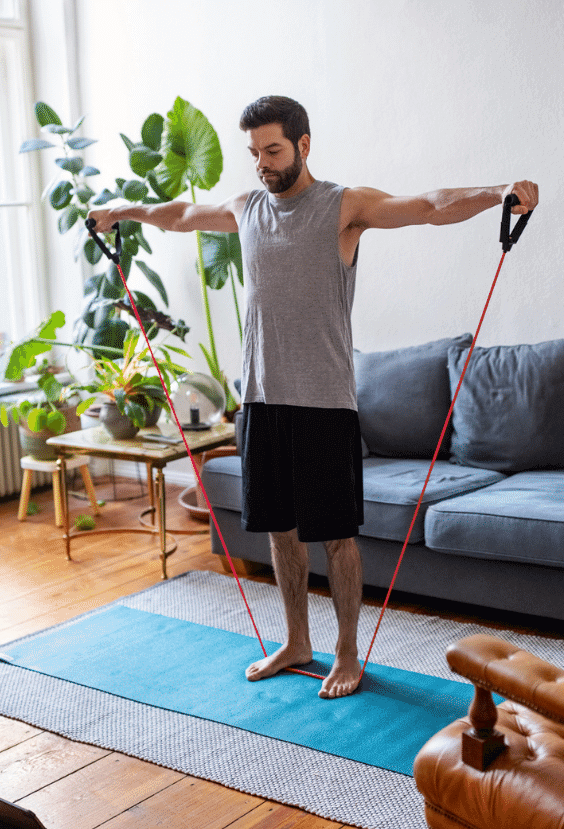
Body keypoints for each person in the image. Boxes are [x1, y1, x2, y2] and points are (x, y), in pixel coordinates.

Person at [90, 95, 538, 699]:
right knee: (278, 531)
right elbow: (180, 214)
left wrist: (497, 192)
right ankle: (297, 640)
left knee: (336, 537)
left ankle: (348, 653)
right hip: (261, 403)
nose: (261, 164)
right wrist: (124, 210)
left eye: (272, 150)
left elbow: (430, 207)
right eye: (254, 153)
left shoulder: (342, 207)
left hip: (325, 405)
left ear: (304, 144)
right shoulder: (247, 208)